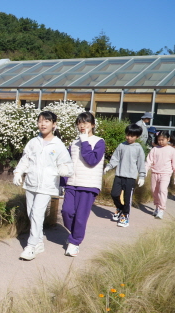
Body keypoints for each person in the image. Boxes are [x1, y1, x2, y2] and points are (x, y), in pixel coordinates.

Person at [13, 111, 73, 260]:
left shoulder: (58, 145)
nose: (43, 124)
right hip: (31, 183)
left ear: (54, 124)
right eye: (40, 121)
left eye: (46, 121)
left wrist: (62, 170)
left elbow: (67, 165)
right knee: (31, 214)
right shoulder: (33, 142)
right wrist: (18, 172)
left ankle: (31, 246)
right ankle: (39, 241)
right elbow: (25, 159)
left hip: (47, 185)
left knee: (37, 214)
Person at [61, 112, 105, 257]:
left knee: (81, 216)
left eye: (86, 123)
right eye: (80, 123)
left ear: (92, 125)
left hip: (88, 185)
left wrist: (85, 141)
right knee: (66, 212)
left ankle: (74, 242)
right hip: (72, 184)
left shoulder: (99, 141)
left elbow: (92, 160)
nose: (82, 126)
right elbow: (67, 164)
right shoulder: (74, 143)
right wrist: (63, 182)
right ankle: (75, 233)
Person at [103, 124, 146, 228]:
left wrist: (142, 176)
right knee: (114, 194)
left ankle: (125, 216)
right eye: (127, 135)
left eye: (132, 136)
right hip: (119, 175)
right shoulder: (121, 145)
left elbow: (141, 163)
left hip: (130, 177)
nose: (129, 137)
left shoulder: (138, 148)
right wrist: (109, 166)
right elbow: (115, 158)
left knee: (127, 198)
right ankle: (120, 208)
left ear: (137, 137)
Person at [145, 131, 175, 219]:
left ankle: (161, 209)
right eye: (159, 140)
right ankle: (157, 207)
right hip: (155, 173)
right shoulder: (154, 149)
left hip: (165, 173)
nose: (161, 141)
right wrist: (146, 170)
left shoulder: (172, 150)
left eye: (163, 140)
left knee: (162, 190)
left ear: (168, 139)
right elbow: (149, 161)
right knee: (154, 191)